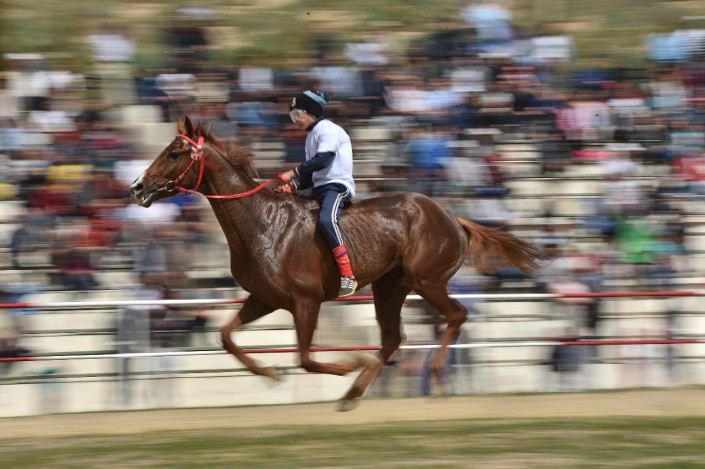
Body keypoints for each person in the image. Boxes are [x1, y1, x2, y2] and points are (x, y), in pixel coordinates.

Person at [276, 90, 358, 297]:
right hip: (318, 188)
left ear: (310, 112)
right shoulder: (310, 137)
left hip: (336, 186)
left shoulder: (328, 129)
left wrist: (293, 172)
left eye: (297, 115)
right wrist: (292, 186)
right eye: (292, 117)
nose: (295, 121)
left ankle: (348, 274)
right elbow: (310, 174)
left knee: (327, 221)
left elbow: (323, 160)